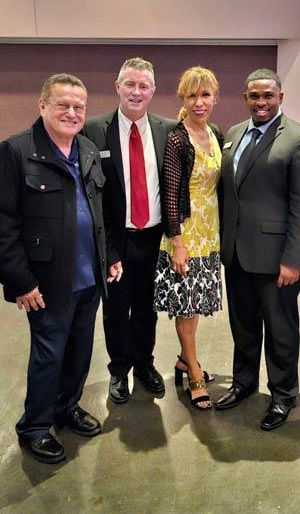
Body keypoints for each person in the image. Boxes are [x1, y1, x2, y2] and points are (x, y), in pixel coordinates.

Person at [0, 74, 120, 464]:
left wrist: (110, 256)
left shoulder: (88, 150)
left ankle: (67, 407)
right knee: (48, 355)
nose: (71, 113)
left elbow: (100, 213)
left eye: (79, 107)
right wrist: (21, 280)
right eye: (63, 105)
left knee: (78, 352)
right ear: (42, 106)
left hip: (90, 278)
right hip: (46, 282)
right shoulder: (14, 152)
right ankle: (36, 427)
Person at [214, 69, 300, 432]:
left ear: (280, 97)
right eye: (254, 96)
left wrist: (293, 260)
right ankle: (244, 382)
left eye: (268, 96)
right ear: (245, 97)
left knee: (280, 329)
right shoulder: (234, 134)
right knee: (242, 325)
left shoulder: (299, 139)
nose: (261, 102)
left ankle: (283, 394)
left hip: (276, 258)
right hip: (237, 254)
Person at [80, 58, 178, 403]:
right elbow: (90, 194)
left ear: (153, 90)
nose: (137, 92)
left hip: (154, 237)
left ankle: (144, 364)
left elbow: (175, 186)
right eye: (130, 84)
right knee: (117, 309)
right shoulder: (92, 130)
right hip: (114, 239)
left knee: (147, 307)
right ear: (117, 87)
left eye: (144, 86)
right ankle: (119, 370)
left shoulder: (168, 129)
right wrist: (108, 248)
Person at [154, 66, 225, 410]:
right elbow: (170, 194)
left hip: (210, 233)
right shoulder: (177, 139)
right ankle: (194, 372)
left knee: (197, 304)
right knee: (188, 307)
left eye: (205, 95)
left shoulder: (213, 132)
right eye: (192, 95)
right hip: (186, 234)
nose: (199, 102)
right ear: (182, 98)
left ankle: (185, 358)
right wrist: (177, 243)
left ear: (215, 97)